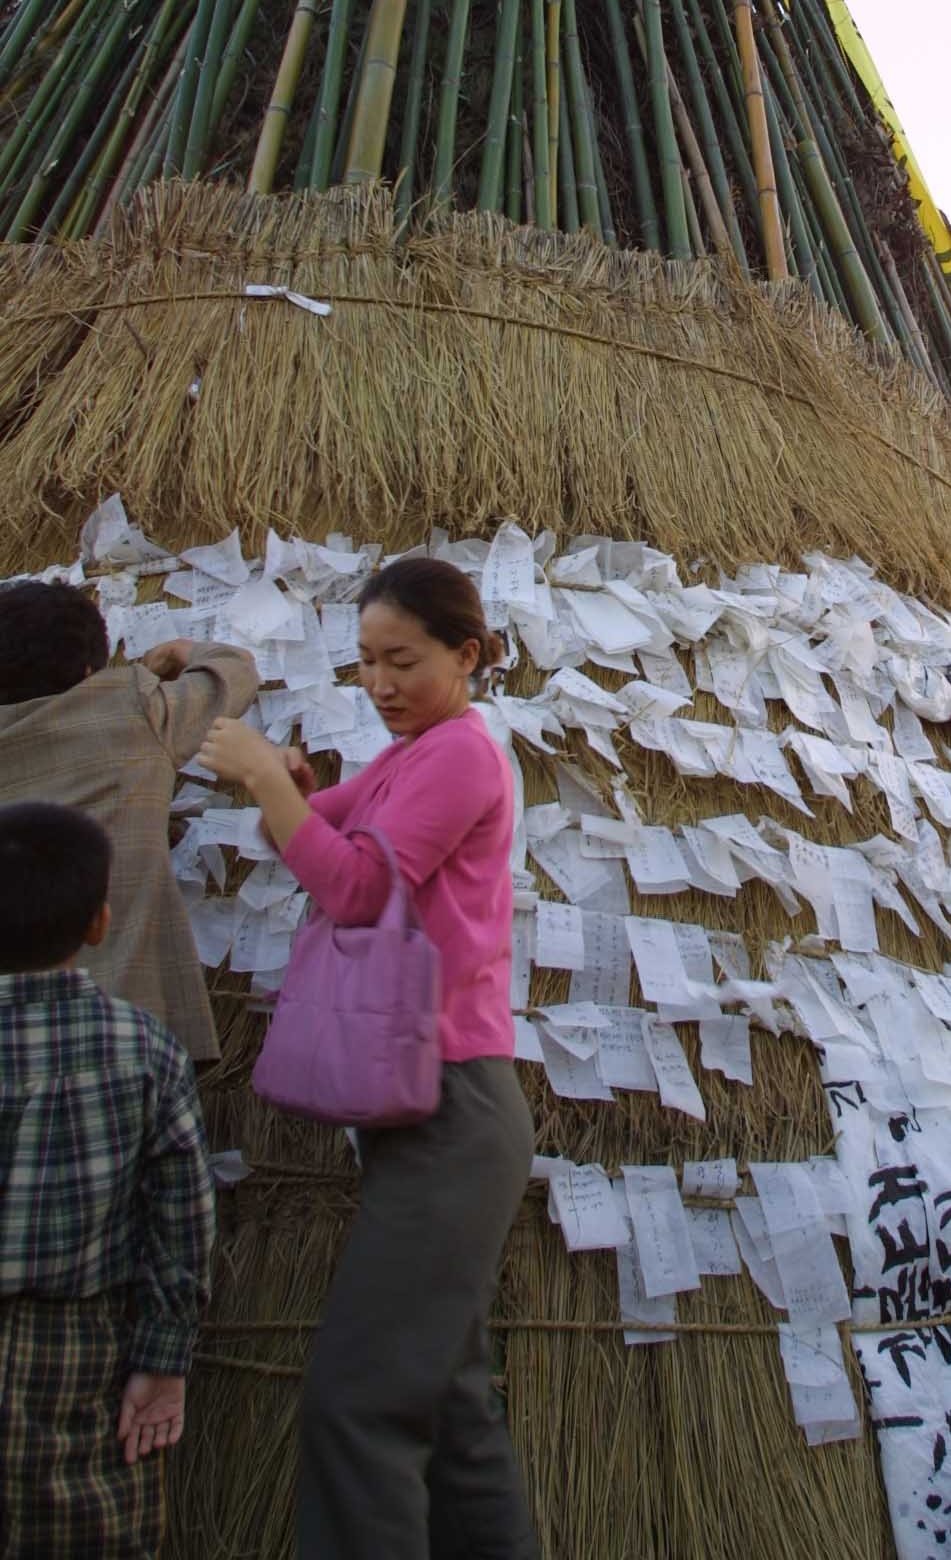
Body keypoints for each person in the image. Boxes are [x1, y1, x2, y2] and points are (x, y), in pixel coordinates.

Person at [198, 555, 536, 1560]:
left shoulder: (461, 756)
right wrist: (290, 788)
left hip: (456, 1113)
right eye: (366, 665)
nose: (382, 684)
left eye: (404, 660)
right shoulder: (407, 755)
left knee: (358, 1404)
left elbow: (354, 891)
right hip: (428, 1115)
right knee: (451, 1404)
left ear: (466, 654)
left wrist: (269, 778)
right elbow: (309, 839)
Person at [0, 799, 215, 1559]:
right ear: (99, 922)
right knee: (80, 1529)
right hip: (77, 1354)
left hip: (78, 1339)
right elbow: (182, 1217)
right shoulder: (141, 1050)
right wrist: (163, 1359)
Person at [0, 579, 258, 1062]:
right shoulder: (130, 708)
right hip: (135, 1021)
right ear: (87, 669)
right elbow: (235, 671)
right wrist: (179, 651)